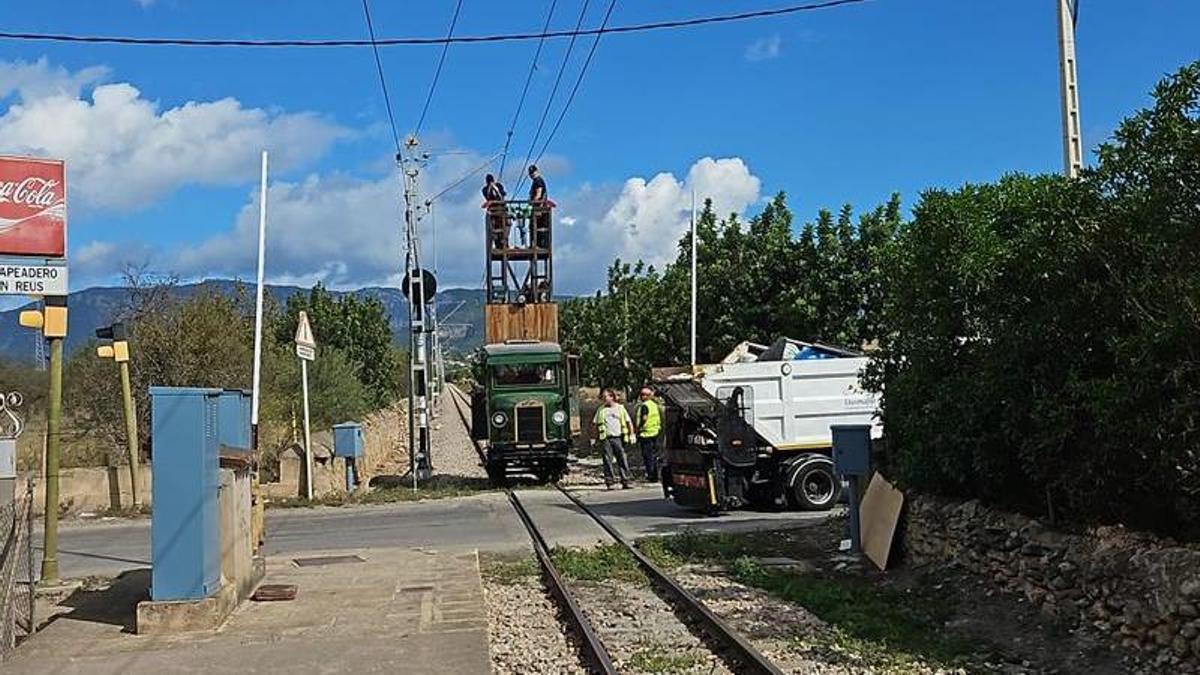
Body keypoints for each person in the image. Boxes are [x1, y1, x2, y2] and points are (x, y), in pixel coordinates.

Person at [592, 388, 633, 489]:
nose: (604, 399)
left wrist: (632, 434)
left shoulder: (620, 408)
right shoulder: (601, 410)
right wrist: (593, 438)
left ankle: (626, 480)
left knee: (622, 459)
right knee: (607, 460)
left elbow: (628, 422)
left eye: (606, 397)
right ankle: (610, 482)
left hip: (619, 437)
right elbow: (594, 424)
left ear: (612, 397)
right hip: (606, 438)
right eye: (603, 397)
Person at [635, 387, 662, 481]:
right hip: (655, 432)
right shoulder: (654, 405)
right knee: (654, 456)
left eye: (643, 394)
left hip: (646, 434)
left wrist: (638, 429)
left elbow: (644, 418)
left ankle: (651, 476)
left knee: (648, 456)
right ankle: (655, 475)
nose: (642, 396)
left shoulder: (644, 406)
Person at [482, 174, 508, 249]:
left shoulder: (499, 186)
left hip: (501, 210)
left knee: (504, 226)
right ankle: (497, 244)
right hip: (493, 211)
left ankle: (504, 243)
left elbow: (501, 197)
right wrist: (490, 189)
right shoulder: (485, 189)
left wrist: (496, 189)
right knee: (494, 228)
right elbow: (488, 198)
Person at [527, 164, 550, 249]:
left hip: (539, 207)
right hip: (537, 207)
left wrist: (533, 201)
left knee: (534, 225)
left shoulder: (538, 181)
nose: (532, 174)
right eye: (530, 173)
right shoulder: (535, 181)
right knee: (533, 226)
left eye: (533, 172)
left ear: (537, 171)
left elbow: (539, 194)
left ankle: (537, 245)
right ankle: (535, 244)